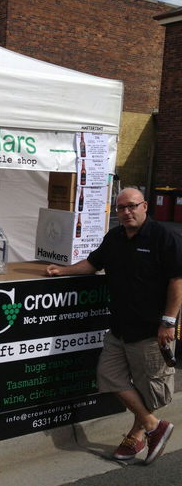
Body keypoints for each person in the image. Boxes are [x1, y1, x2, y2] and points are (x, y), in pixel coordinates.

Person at [46, 187, 182, 464]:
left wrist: (168, 321)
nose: (127, 212)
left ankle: (137, 435)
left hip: (152, 331)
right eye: (121, 208)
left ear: (145, 206)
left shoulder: (165, 237)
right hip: (119, 327)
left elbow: (177, 281)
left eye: (132, 206)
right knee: (107, 375)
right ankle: (154, 426)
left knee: (151, 389)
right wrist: (62, 270)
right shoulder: (115, 237)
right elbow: (92, 264)